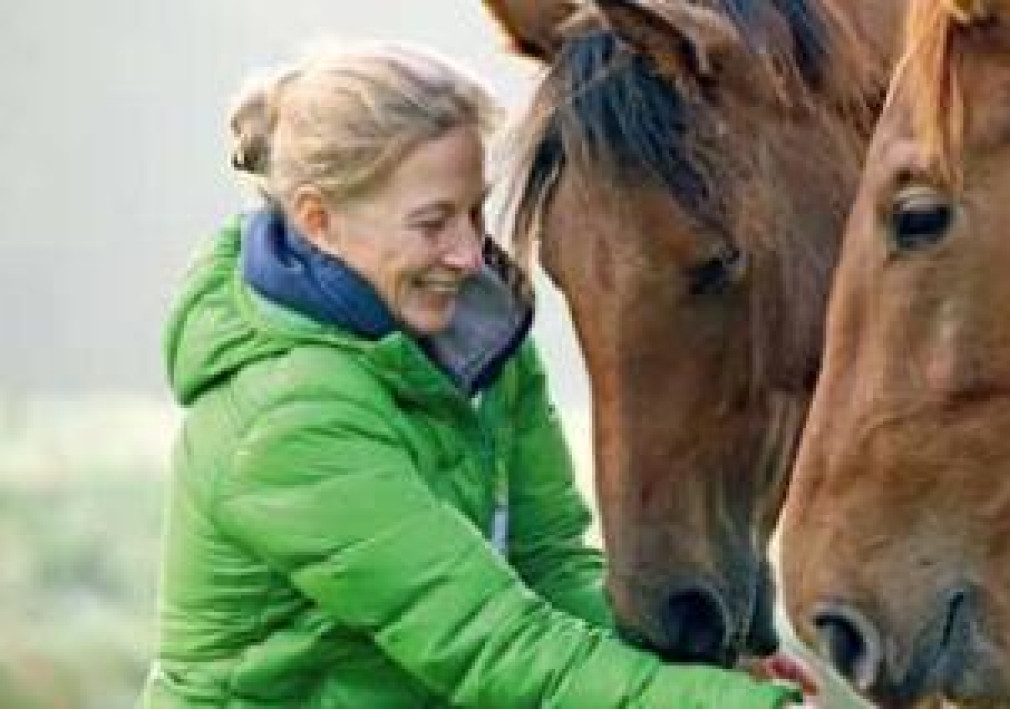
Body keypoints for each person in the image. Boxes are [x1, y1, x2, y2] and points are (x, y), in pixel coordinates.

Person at [144, 41, 816, 707]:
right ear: (320, 222)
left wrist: (718, 677)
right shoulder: (288, 419)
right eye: (432, 223)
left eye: (474, 210)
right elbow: (490, 644)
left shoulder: (479, 342)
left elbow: (550, 567)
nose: (468, 255)